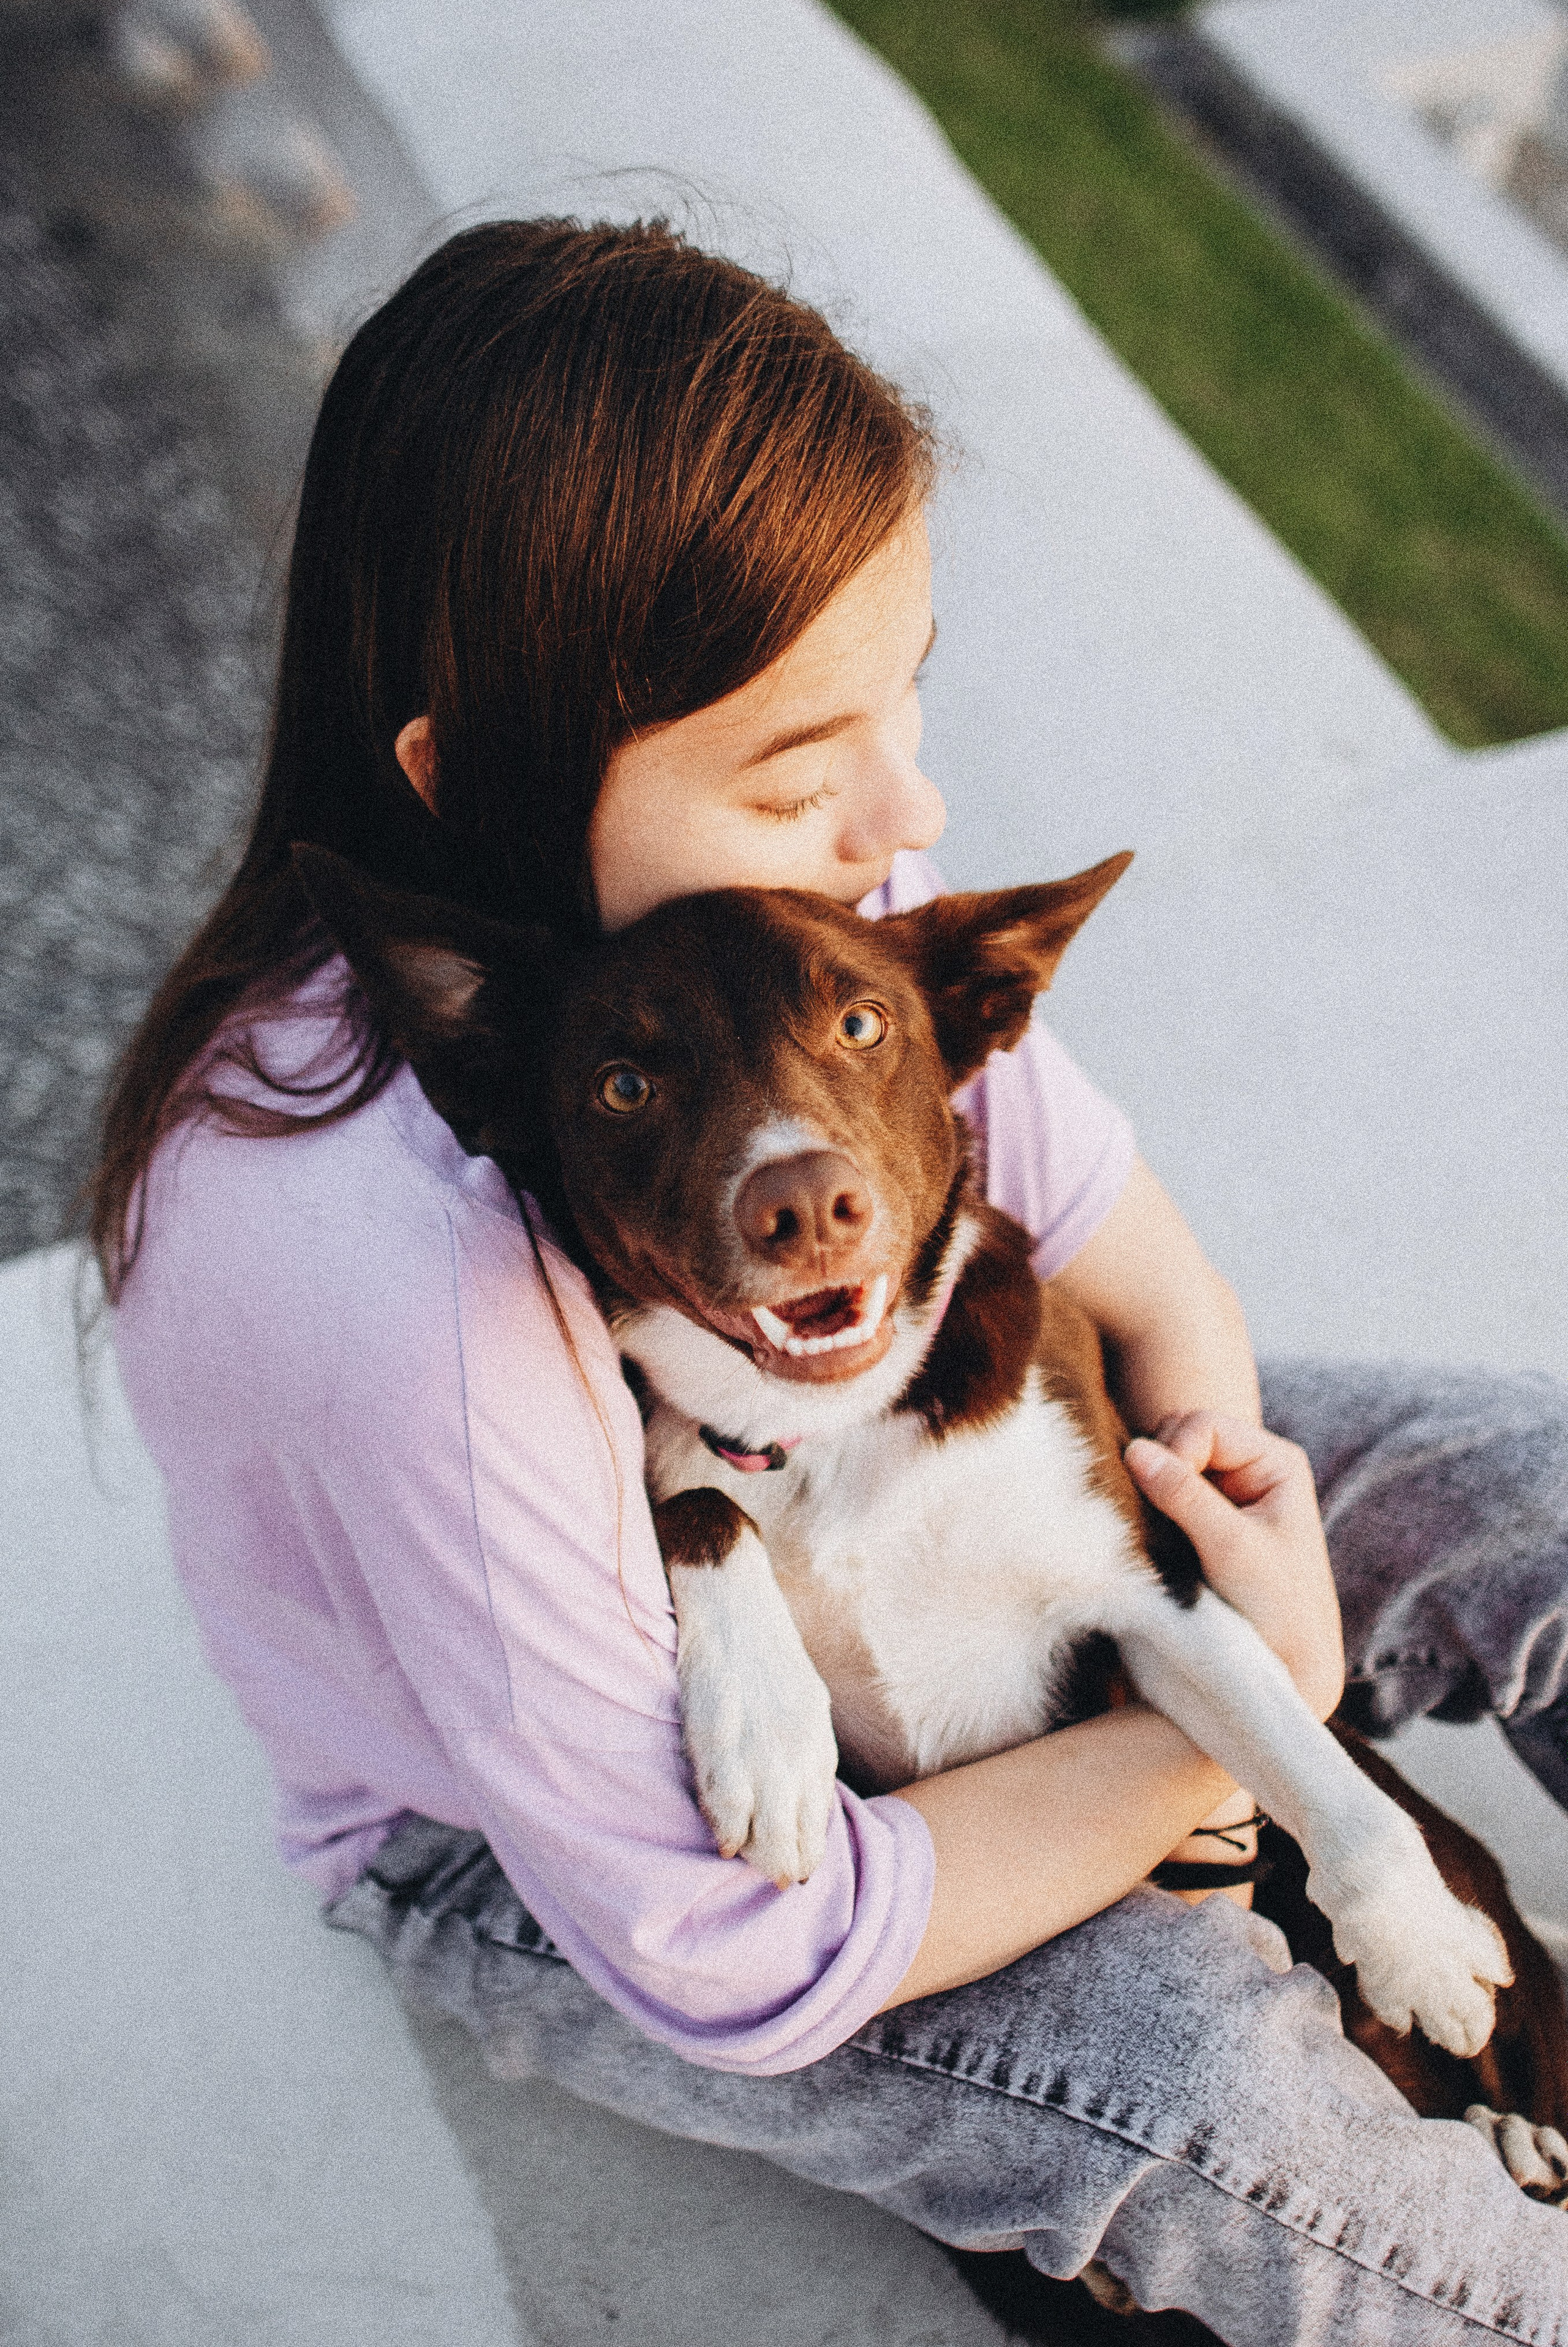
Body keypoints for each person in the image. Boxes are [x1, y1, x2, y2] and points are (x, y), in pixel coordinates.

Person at [94, 217, 1568, 2340]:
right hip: (564, 1823)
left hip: (949, 1515)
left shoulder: (821, 902)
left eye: (903, 697)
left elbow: (1155, 1291)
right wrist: (1228, 1733)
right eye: (801, 765)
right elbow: (728, 1947)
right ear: (482, 783)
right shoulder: (399, 1275)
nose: (906, 808)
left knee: (1530, 1480)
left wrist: (1218, 1539)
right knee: (1192, 2072)